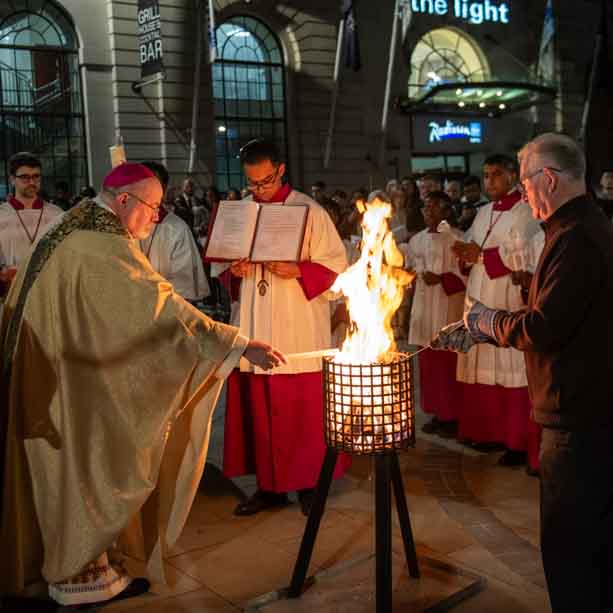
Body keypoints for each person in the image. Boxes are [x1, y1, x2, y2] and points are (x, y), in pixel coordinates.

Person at [0, 163, 285, 608]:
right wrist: (238, 343)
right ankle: (78, 578)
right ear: (124, 201)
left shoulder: (71, 221)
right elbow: (161, 309)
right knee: (88, 464)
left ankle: (74, 566)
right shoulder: (104, 245)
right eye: (151, 207)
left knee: (61, 469)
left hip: (49, 371)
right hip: (70, 383)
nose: (155, 217)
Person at [435, 133, 613, 613]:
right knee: (589, 542)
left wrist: (485, 322)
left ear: (549, 179)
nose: (526, 193)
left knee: (571, 546)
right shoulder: (583, 226)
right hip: (587, 405)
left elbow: (543, 326)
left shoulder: (574, 237)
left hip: (577, 416)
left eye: (529, 183)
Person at [222, 139, 350, 516]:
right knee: (260, 408)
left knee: (301, 409)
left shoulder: (309, 211)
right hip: (254, 318)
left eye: (264, 182)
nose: (258, 191)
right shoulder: (241, 211)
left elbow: (337, 266)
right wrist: (235, 271)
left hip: (297, 324)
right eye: (252, 184)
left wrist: (300, 269)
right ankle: (269, 487)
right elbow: (222, 265)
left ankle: (310, 484)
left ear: (280, 170)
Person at [451, 154, 541, 467]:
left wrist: (480, 254)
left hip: (505, 298)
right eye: (486, 175)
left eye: (496, 175)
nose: (489, 181)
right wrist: (462, 252)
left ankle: (515, 442)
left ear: (513, 176)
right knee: (482, 362)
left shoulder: (526, 211)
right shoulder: (483, 212)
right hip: (478, 293)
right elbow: (472, 244)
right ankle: (486, 432)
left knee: (509, 368)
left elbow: (522, 254)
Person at [403, 192, 466, 437]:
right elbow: (411, 269)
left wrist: (441, 278)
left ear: (447, 210)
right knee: (428, 366)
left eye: (435, 206)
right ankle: (436, 412)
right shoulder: (416, 240)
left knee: (447, 365)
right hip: (424, 307)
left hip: (447, 306)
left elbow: (466, 275)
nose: (428, 210)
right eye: (426, 206)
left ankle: (452, 415)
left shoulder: (456, 238)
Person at [139, 161, 210, 303]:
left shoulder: (176, 229)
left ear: (163, 189)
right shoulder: (121, 224)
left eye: (152, 185)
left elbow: (184, 288)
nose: (144, 190)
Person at [0, 152, 63, 298]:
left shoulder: (57, 214)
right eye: (25, 177)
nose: (32, 182)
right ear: (12, 180)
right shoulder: (2, 214)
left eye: (36, 176)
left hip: (48, 291)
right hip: (11, 292)